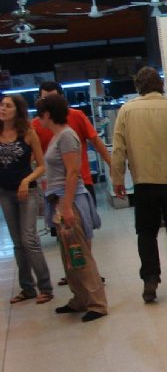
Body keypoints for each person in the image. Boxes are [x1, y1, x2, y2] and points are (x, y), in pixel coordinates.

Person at [111, 66, 167, 303]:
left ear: (138, 86)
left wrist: (117, 180)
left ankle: (150, 280)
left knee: (146, 233)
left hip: (143, 183)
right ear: (160, 85)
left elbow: (118, 149)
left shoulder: (126, 111)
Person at [35, 94, 107, 322]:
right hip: (60, 200)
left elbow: (73, 172)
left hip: (71, 201)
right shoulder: (58, 136)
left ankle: (97, 303)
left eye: (40, 114)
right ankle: (80, 298)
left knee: (79, 252)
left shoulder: (66, 136)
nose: (38, 119)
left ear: (48, 114)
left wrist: (66, 206)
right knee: (69, 254)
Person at [0, 94, 53, 304]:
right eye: (2, 105)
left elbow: (41, 166)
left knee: (29, 239)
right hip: (5, 192)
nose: (3, 108)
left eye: (8, 106)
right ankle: (27, 288)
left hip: (27, 192)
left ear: (18, 111)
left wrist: (26, 180)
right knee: (17, 242)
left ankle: (45, 287)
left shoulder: (29, 134)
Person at [32, 81, 111, 205]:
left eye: (53, 98)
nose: (49, 103)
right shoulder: (37, 124)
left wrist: (111, 165)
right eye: (45, 99)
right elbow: (33, 154)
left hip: (81, 181)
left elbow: (96, 141)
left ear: (61, 98)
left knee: (83, 216)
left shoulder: (76, 116)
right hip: (54, 186)